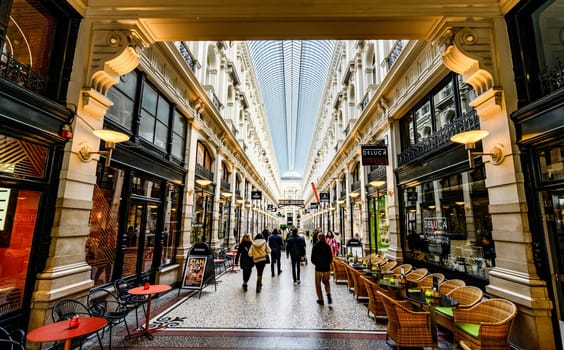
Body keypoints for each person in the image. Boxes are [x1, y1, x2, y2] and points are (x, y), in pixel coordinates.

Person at [311, 232, 333, 305]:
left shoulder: (315, 246)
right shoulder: (327, 246)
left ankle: (321, 299)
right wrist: (327, 263)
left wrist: (316, 263)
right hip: (326, 268)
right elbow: (330, 257)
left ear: (318, 238)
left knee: (318, 284)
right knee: (326, 281)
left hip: (319, 268)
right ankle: (328, 294)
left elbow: (312, 258)